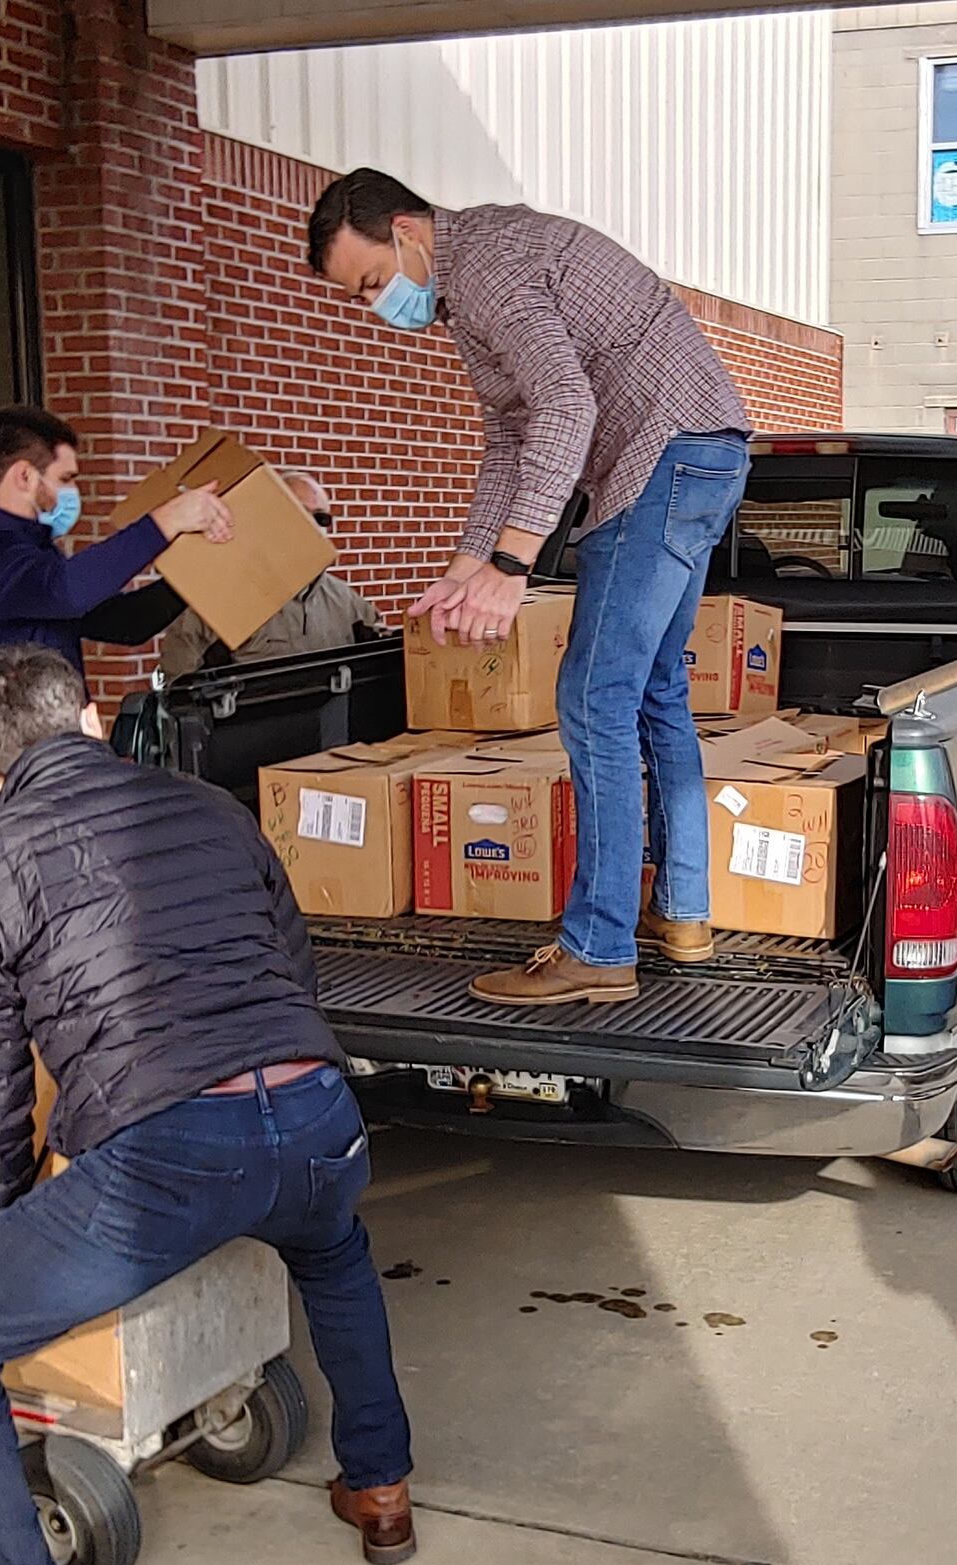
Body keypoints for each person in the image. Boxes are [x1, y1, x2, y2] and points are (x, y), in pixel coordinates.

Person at [0, 644, 419, 1565]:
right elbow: (289, 965)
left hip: (174, 1147)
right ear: (91, 721)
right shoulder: (213, 809)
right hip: (321, 1110)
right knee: (333, 1248)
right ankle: (381, 1489)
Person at [305, 169, 753, 1007]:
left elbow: (564, 408)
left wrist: (513, 566)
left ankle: (598, 944)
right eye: (359, 298)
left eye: (373, 281)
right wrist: (467, 563)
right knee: (652, 691)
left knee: (592, 697)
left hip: (658, 459)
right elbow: (511, 441)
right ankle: (682, 911)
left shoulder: (489, 269)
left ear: (407, 230)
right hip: (701, 449)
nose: (377, 306)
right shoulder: (469, 290)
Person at [0, 405, 235, 839]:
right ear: (24, 476)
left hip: (49, 789)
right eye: (66, 479)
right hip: (4, 801)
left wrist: (200, 573)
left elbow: (124, 623)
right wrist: (167, 521)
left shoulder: (30, 558)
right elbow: (69, 590)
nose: (72, 493)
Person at [147, 469, 387, 677]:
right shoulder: (213, 605)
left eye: (321, 518)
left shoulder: (348, 604)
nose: (312, 526)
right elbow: (179, 694)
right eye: (300, 513)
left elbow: (387, 662)